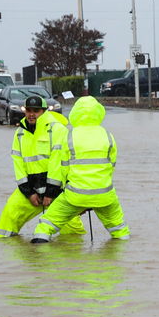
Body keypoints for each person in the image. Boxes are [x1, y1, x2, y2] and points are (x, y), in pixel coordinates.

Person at [31, 95, 129, 243]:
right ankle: (122, 256)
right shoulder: (108, 135)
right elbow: (111, 165)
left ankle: (39, 256)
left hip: (74, 194)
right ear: (99, 112)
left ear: (75, 113)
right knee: (119, 228)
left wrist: (63, 189)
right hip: (105, 194)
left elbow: (61, 168)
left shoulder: (69, 136)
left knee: (46, 225)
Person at [0, 95, 83, 238]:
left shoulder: (58, 130)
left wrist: (51, 192)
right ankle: (7, 254)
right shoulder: (20, 133)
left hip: (57, 191)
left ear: (44, 111)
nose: (31, 114)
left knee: (72, 234)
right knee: (8, 218)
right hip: (31, 189)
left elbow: (58, 163)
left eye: (36, 110)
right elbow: (18, 164)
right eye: (28, 110)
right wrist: (28, 192)